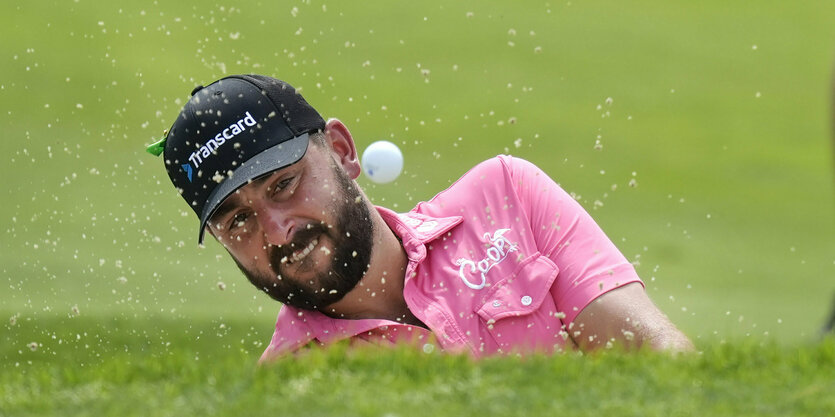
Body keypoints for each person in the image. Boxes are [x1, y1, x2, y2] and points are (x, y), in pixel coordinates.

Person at [147, 74, 694, 362]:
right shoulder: (291, 388)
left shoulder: (505, 194)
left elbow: (655, 358)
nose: (278, 230)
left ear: (341, 150)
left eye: (284, 185)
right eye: (238, 222)